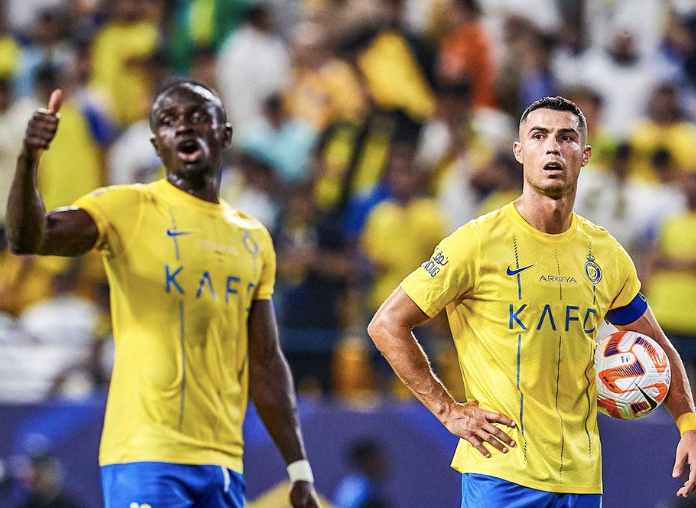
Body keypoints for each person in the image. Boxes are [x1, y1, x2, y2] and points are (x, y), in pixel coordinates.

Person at [367, 96, 696, 506]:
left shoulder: (606, 254)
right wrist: (447, 411)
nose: (553, 147)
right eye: (539, 136)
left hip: (581, 479)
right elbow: (386, 324)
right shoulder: (477, 242)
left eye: (566, 138)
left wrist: (688, 425)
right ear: (519, 152)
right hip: (500, 473)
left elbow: (658, 347)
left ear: (585, 155)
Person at [6, 80, 321, 508]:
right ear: (157, 145)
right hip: (145, 455)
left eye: (198, 117)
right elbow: (30, 237)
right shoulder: (128, 208)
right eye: (169, 121)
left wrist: (298, 468)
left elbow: (265, 361)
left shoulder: (253, 238)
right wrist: (28, 159)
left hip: (223, 464)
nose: (183, 127)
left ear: (225, 135)